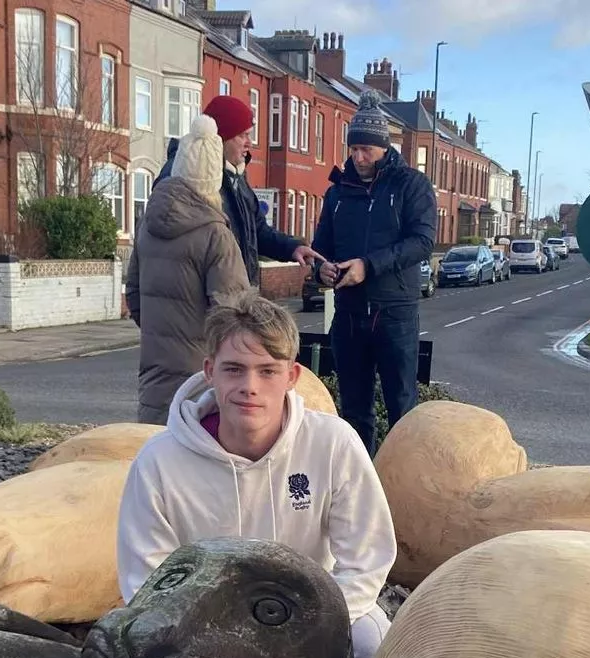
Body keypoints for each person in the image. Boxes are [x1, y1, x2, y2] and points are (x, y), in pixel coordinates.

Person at [116, 289, 397, 658]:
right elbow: (145, 581)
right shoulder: (158, 462)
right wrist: (222, 645)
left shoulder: (334, 444)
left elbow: (367, 560)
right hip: (203, 628)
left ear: (292, 376)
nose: (250, 386)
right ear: (209, 371)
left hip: (314, 618)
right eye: (234, 369)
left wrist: (299, 631)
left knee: (375, 652)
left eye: (267, 370)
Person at [311, 89, 437, 454]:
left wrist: (369, 266)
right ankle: (359, 485)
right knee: (353, 411)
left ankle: (402, 487)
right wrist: (322, 272)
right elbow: (323, 248)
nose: (358, 157)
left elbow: (423, 241)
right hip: (349, 315)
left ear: (384, 147)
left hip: (394, 313)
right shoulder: (338, 192)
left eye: (366, 149)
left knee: (402, 407)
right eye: (353, 149)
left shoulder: (411, 185)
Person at [125, 114, 249, 424]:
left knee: (157, 461)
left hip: (153, 376)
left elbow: (135, 296)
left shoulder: (147, 225)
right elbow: (233, 317)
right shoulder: (215, 235)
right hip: (202, 382)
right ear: (212, 180)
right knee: (197, 467)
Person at [157, 94, 323, 289]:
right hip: (203, 305)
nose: (249, 143)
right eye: (243, 135)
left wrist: (292, 248)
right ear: (221, 138)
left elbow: (257, 231)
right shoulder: (183, 173)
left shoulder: (237, 176)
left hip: (233, 302)